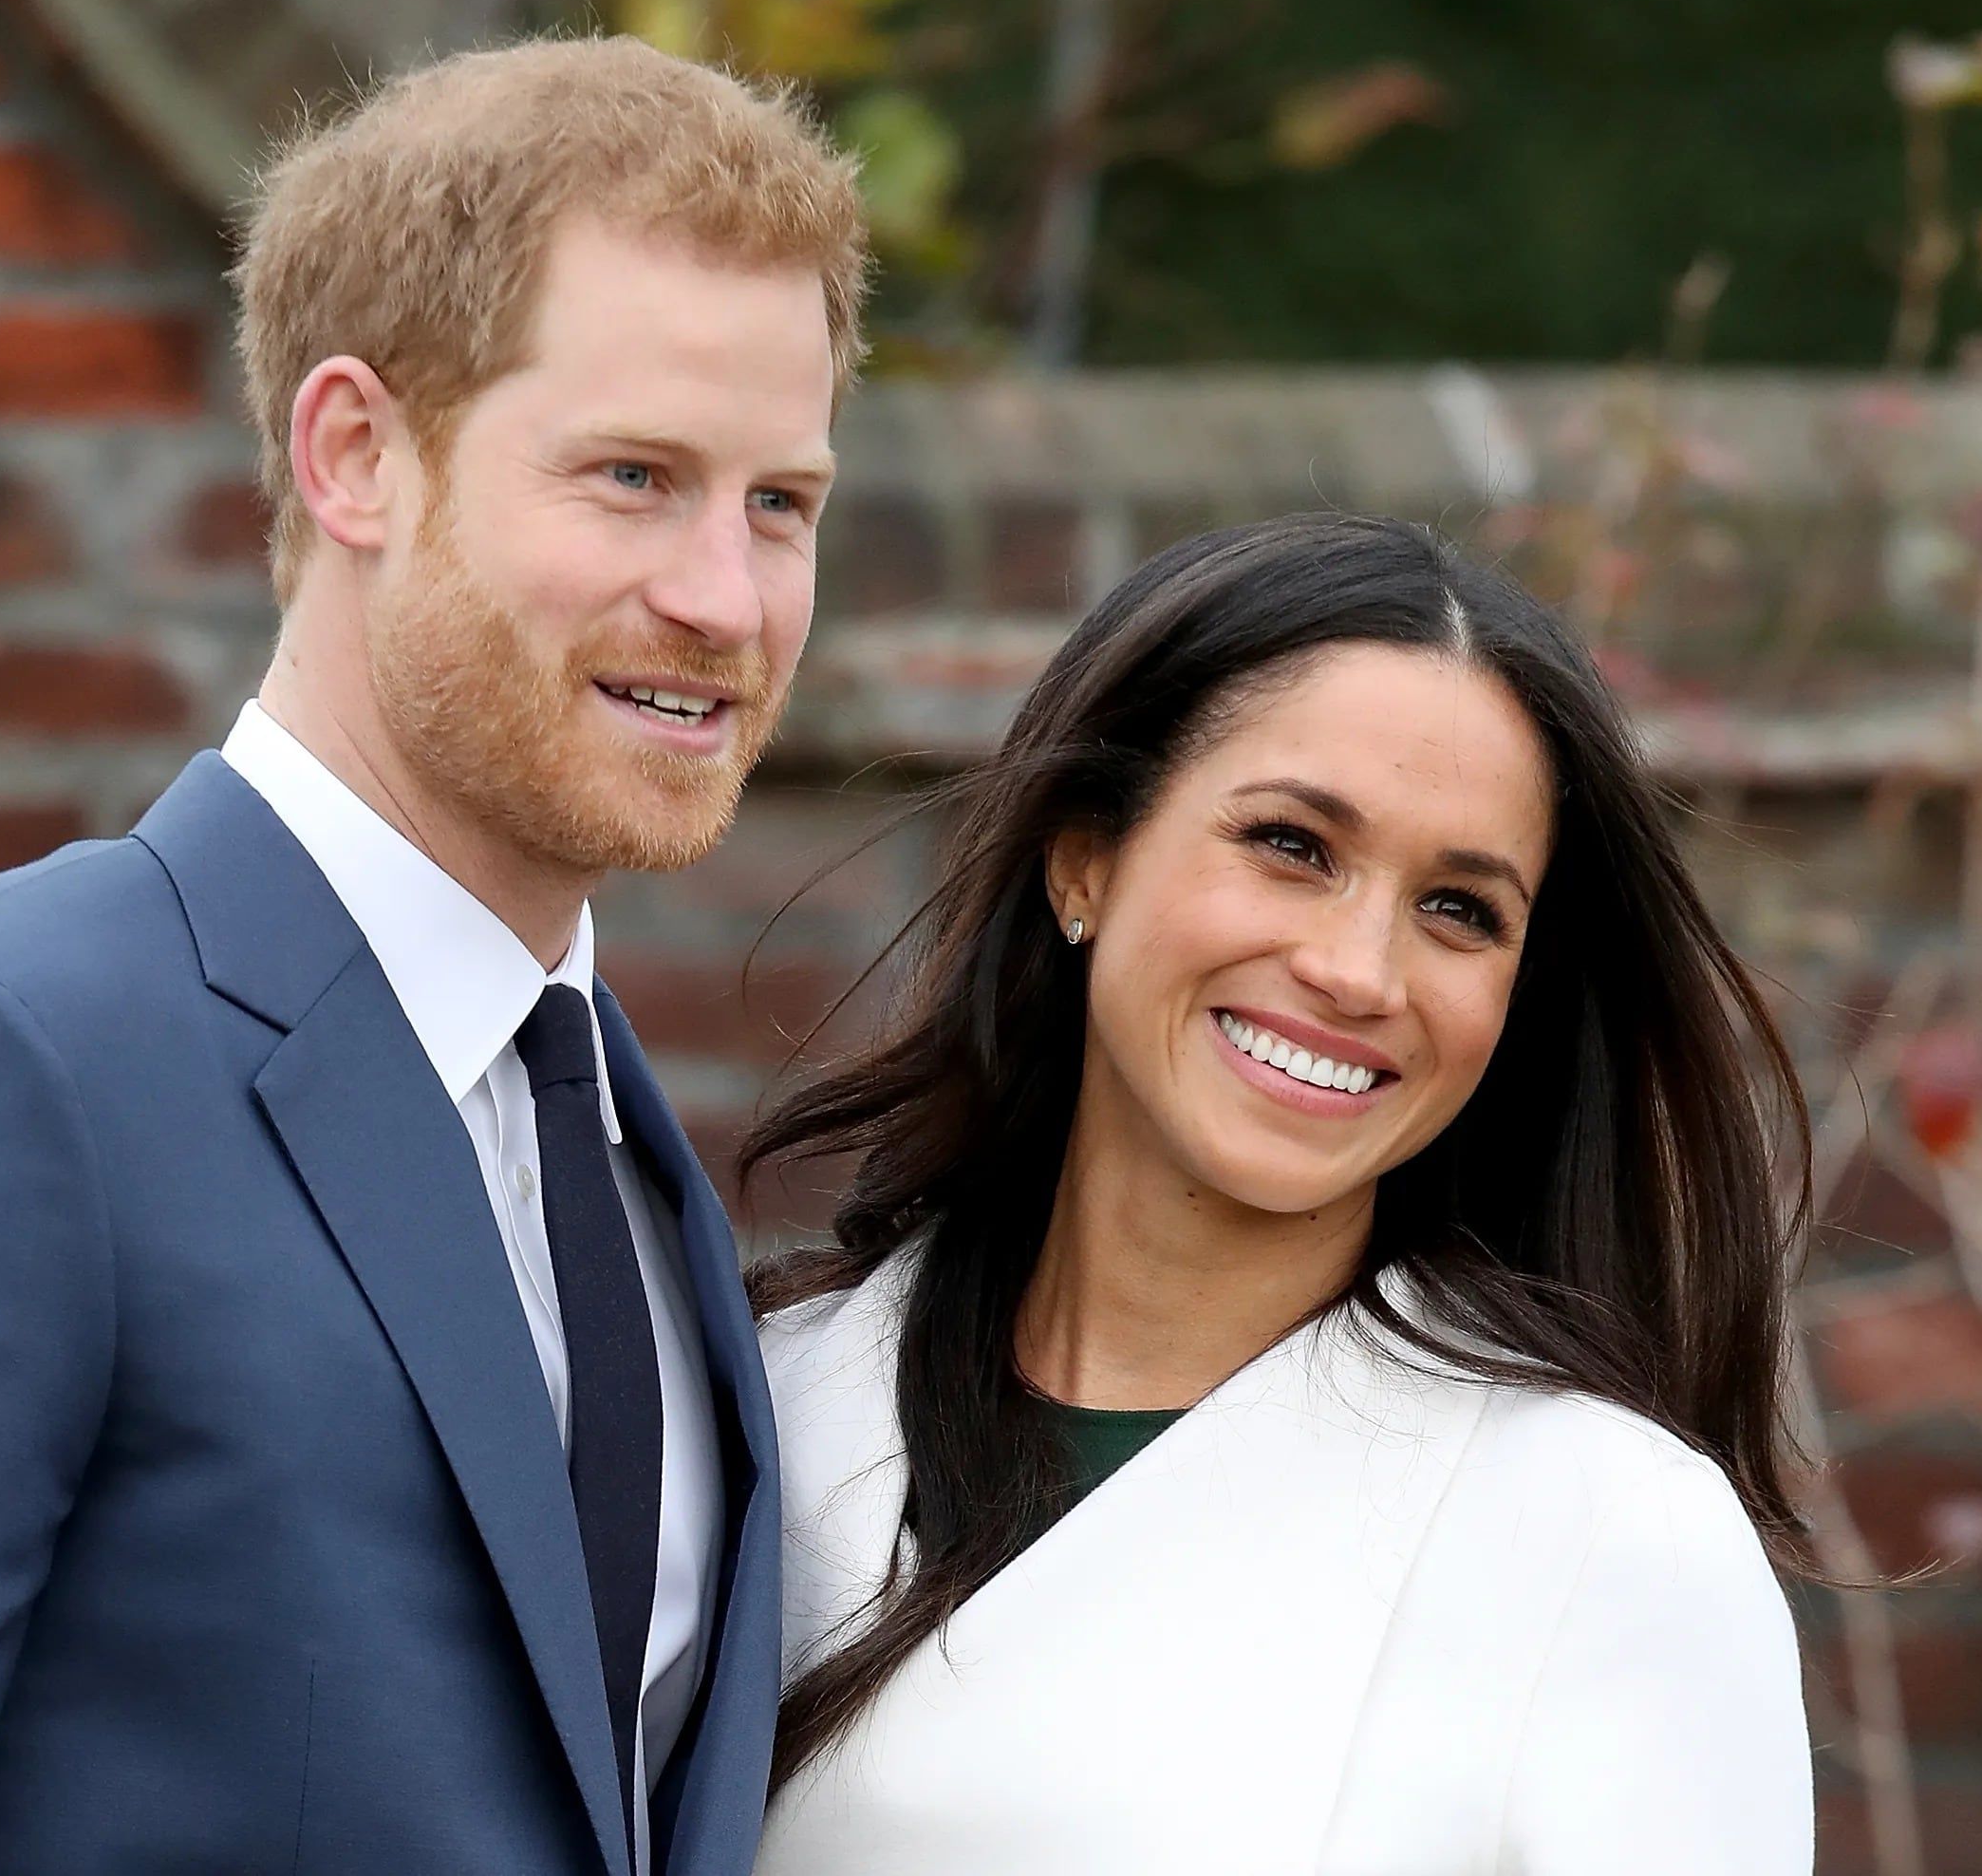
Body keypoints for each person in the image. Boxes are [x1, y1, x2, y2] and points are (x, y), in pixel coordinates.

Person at [0, 37, 867, 1876]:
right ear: (354, 454)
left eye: (778, 502)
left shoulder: (620, 1154)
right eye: (633, 476)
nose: (726, 598)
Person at [746, 514, 1815, 1874]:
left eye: (1460, 910)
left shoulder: (1601, 1535)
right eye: (1294, 845)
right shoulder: (760, 1411)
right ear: (1085, 859)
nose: (1361, 970)